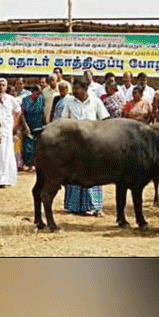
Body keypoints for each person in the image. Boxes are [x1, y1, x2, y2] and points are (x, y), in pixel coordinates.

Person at [61, 77, 110, 216]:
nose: (74, 91)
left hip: (93, 145)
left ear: (85, 88)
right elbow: (64, 120)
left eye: (77, 89)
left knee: (93, 176)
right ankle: (74, 207)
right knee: (74, 176)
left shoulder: (96, 101)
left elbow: (105, 119)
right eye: (73, 89)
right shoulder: (69, 101)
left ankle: (96, 206)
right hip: (74, 144)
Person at [20, 84, 44, 171]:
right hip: (27, 122)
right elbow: (21, 113)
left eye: (39, 93)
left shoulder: (41, 99)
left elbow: (43, 112)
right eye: (36, 93)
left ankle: (36, 164)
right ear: (32, 92)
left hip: (38, 123)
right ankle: (28, 164)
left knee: (37, 145)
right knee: (27, 145)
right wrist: (24, 125)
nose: (38, 95)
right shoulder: (25, 100)